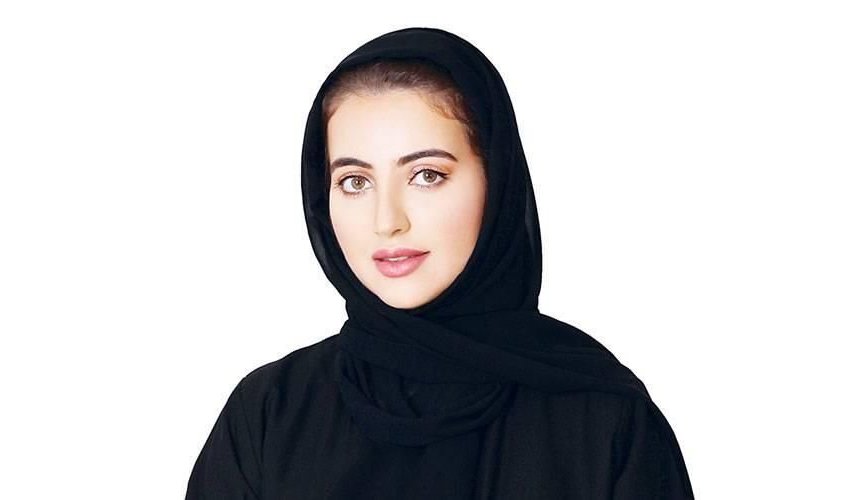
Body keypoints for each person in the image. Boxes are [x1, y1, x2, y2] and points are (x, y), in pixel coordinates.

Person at [185, 26, 695, 499]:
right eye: (355, 182)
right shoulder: (269, 415)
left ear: (496, 182)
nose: (387, 221)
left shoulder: (606, 422)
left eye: (426, 175)